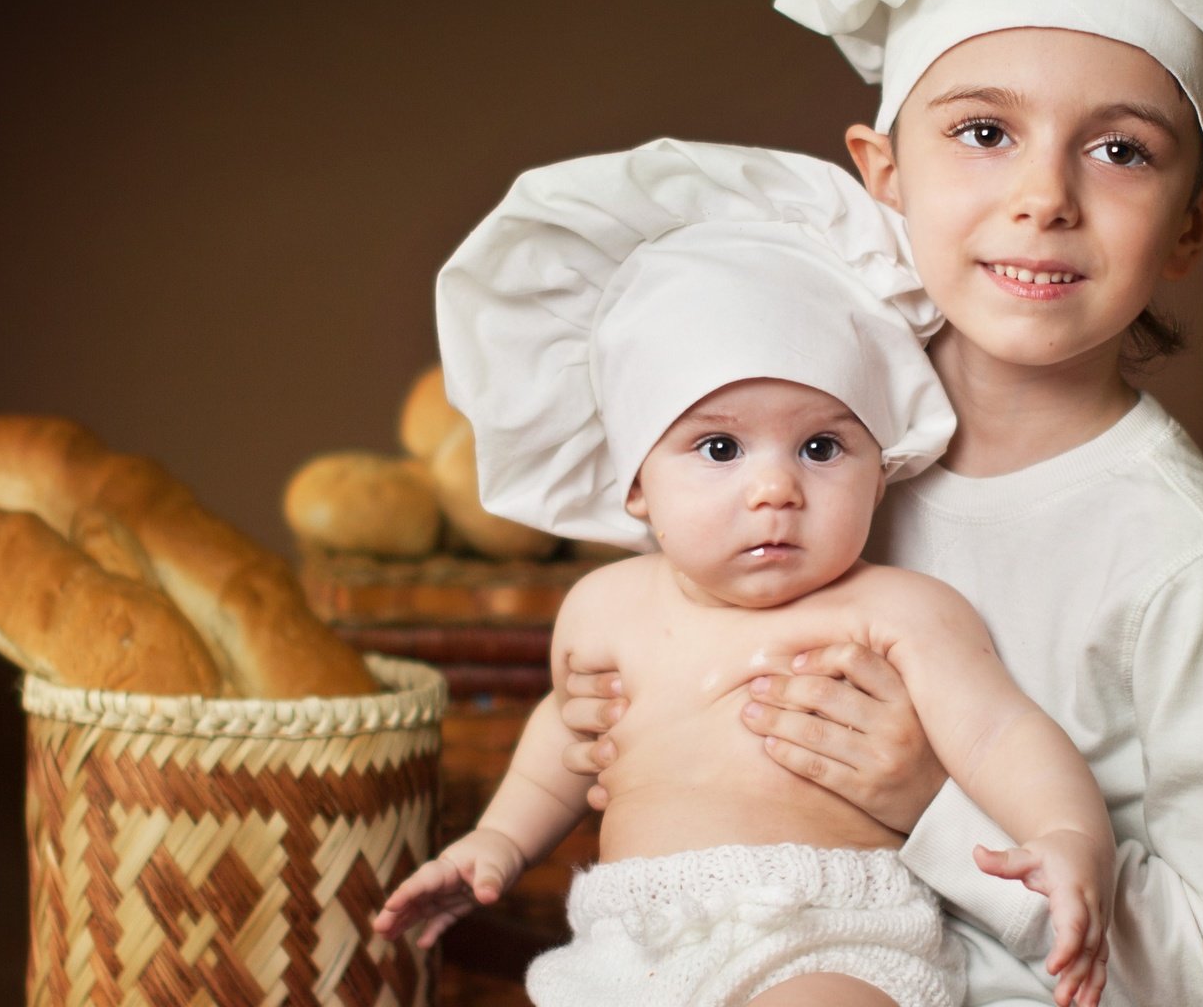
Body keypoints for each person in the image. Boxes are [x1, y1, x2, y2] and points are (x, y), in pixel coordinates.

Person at [558, 0, 1203, 1007]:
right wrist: (625, 716)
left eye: (1120, 150)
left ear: (1194, 222)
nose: (1043, 197)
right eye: (983, 132)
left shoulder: (1189, 566)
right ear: (883, 169)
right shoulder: (793, 445)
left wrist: (932, 802)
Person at [374, 139, 1116, 1007]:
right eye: (718, 447)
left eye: (822, 446)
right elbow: (569, 748)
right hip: (628, 946)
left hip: (826, 935)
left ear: (881, 465)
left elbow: (1001, 737)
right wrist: (497, 843)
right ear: (637, 483)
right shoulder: (604, 608)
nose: (775, 489)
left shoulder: (898, 612)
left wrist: (1068, 837)